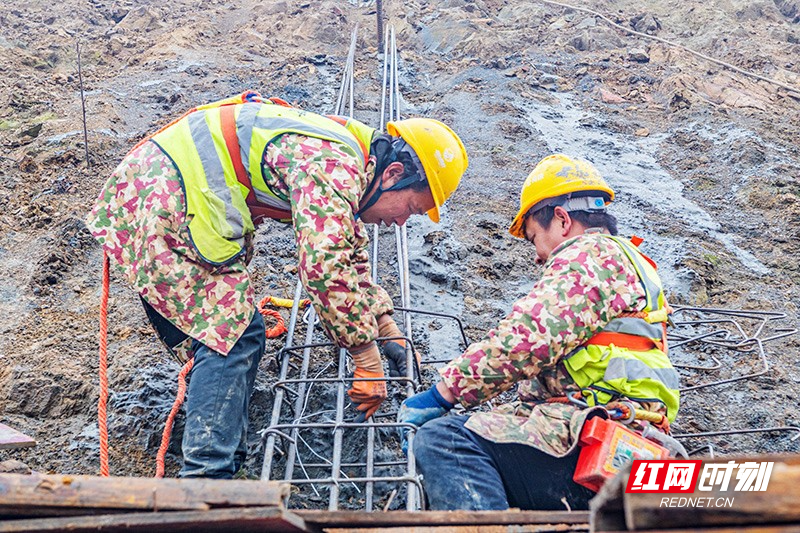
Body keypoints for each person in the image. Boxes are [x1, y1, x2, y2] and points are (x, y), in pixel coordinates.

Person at [86, 90, 468, 479]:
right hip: (160, 199)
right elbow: (324, 267)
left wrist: (386, 328)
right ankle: (205, 479)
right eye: (411, 208)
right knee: (231, 334)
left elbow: (345, 247)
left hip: (166, 189)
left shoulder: (355, 156)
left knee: (238, 332)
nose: (402, 222)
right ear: (393, 175)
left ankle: (218, 440)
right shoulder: (335, 165)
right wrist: (365, 356)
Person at [398, 154, 680, 510]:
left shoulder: (591, 255)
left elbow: (528, 338)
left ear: (562, 219)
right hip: (623, 434)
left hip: (597, 434)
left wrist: (443, 393)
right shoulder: (630, 263)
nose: (537, 256)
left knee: (444, 441)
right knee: (483, 431)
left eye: (534, 238)